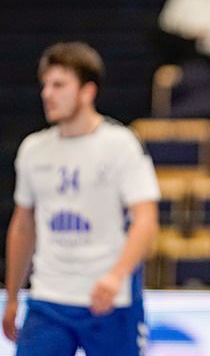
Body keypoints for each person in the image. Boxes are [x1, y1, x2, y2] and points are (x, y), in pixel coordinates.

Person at [2, 42, 160, 355]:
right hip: (49, 298)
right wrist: (13, 295)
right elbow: (23, 226)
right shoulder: (33, 149)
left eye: (59, 84)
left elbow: (146, 219)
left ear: (87, 91)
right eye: (45, 85)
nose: (47, 93)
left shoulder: (120, 144)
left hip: (109, 301)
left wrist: (116, 277)